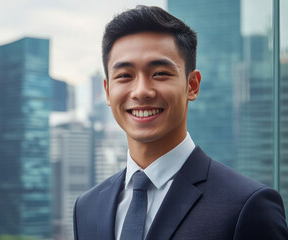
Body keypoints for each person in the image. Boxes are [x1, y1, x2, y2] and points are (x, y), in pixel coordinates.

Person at [73, 5, 288, 240]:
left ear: (192, 85)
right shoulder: (87, 207)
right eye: (124, 76)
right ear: (107, 91)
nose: (141, 91)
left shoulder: (247, 205)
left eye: (160, 74)